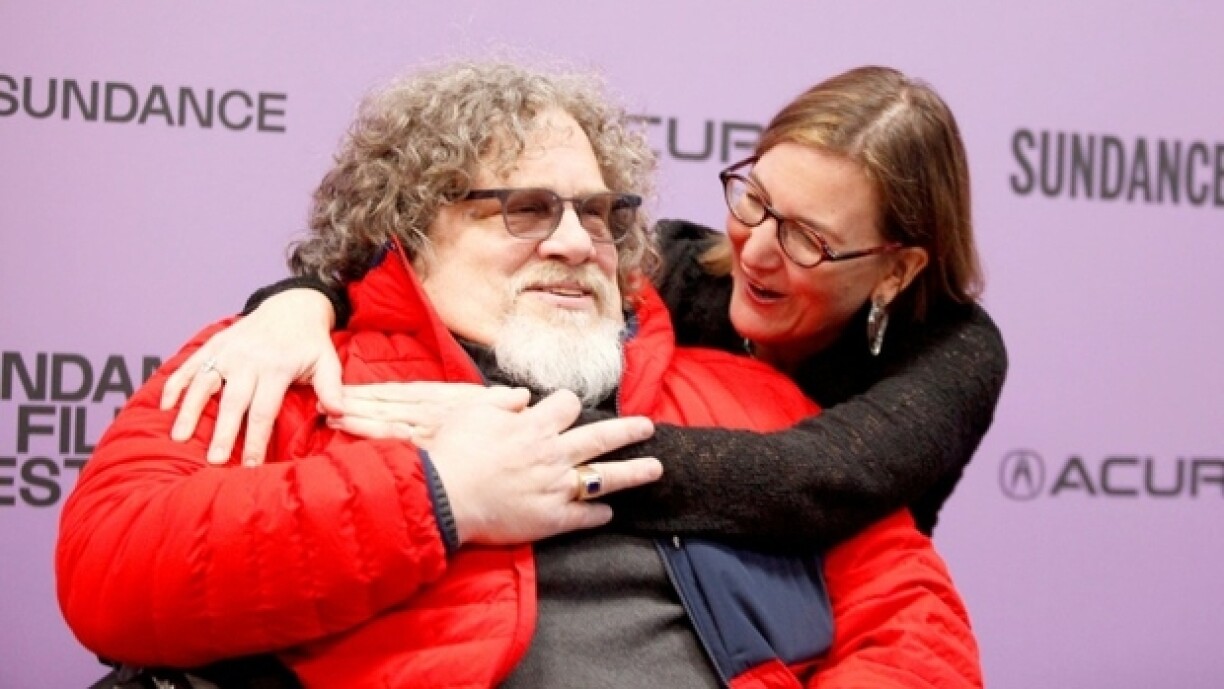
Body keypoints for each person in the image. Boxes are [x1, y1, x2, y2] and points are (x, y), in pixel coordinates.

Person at [57, 61, 981, 687]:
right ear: (411, 225)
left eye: (597, 212)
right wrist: (438, 494)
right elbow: (110, 570)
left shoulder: (753, 394)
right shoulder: (287, 368)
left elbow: (914, 627)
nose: (577, 241)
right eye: (526, 210)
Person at [166, 65, 1007, 549]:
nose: (754, 250)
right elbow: (394, 248)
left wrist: (515, 451)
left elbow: (812, 481)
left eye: (808, 239)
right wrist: (296, 303)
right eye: (754, 200)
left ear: (898, 268)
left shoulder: (956, 352)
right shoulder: (673, 264)